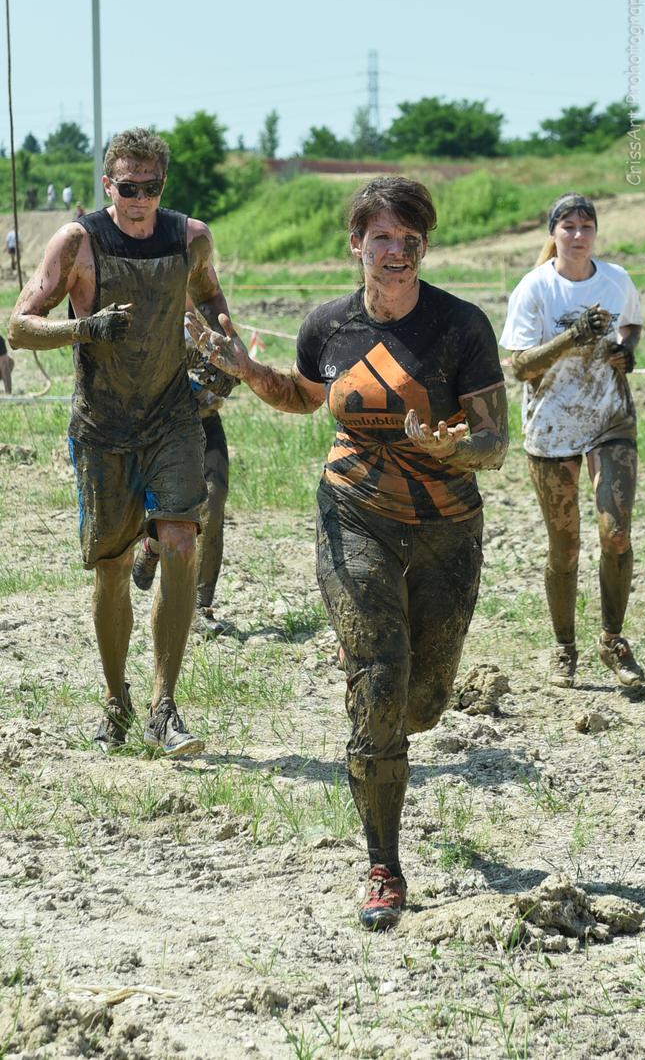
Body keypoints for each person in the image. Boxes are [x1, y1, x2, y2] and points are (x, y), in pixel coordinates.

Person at [187, 176, 508, 929]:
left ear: (425, 247)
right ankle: (384, 866)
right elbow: (303, 396)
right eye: (382, 238)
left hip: (446, 531)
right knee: (379, 684)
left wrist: (458, 447)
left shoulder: (460, 326)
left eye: (410, 240)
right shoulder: (327, 325)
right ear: (356, 244)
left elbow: (495, 441)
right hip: (353, 518)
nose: (396, 253)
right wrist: (244, 368)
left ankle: (387, 683)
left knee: (423, 704)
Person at [9, 127, 232, 757]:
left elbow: (211, 295)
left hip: (172, 418)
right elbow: (20, 327)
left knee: (181, 540)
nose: (139, 198)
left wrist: (225, 350)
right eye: (127, 187)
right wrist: (86, 328)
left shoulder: (190, 238)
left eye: (151, 187)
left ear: (164, 185)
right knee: (110, 571)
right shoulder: (78, 241)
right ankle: (117, 702)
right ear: (108, 184)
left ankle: (166, 706)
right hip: (103, 428)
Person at [500, 192, 645, 691]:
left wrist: (625, 351)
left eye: (587, 226)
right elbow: (519, 365)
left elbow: (632, 325)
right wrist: (571, 337)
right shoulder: (535, 289)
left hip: (610, 419)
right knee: (565, 547)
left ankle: (613, 640)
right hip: (553, 425)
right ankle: (564, 648)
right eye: (569, 227)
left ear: (596, 233)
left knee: (617, 532)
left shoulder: (617, 279)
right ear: (554, 234)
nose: (579, 235)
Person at [131, 313, 238, 637]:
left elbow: (233, 376)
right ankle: (152, 545)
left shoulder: (212, 314)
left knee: (213, 506)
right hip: (165, 429)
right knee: (172, 514)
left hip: (206, 422)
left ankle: (199, 606)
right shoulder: (151, 314)